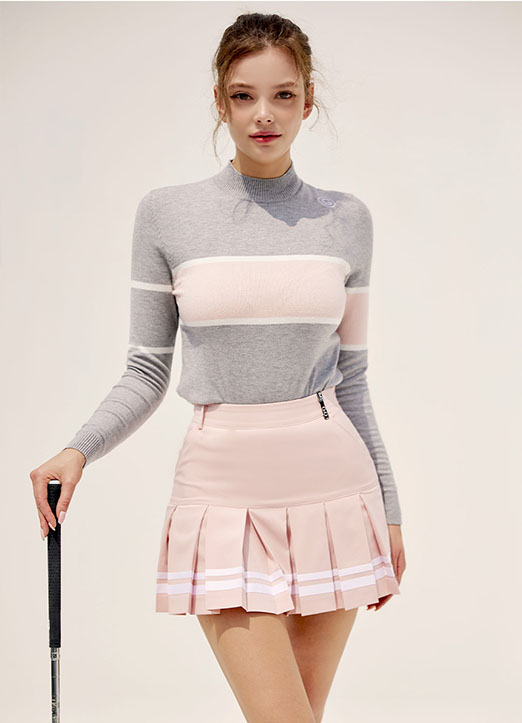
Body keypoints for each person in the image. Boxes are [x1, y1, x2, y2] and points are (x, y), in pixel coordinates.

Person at [30, 12, 406, 722]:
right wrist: (79, 448)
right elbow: (146, 370)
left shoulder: (347, 220)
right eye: (243, 95)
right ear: (219, 101)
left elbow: (353, 380)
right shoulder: (167, 215)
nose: (264, 114)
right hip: (221, 493)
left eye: (283, 95)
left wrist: (388, 511)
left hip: (334, 489)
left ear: (308, 101)